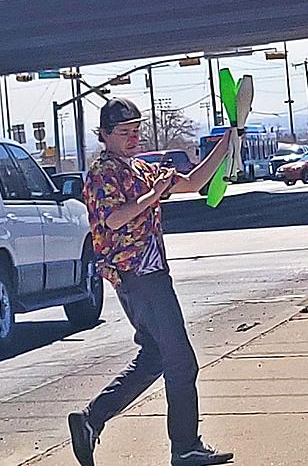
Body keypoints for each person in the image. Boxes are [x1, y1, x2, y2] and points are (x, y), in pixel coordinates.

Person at [68, 98, 236, 466]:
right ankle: (185, 447)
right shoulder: (102, 174)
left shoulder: (142, 169)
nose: (133, 138)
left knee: (156, 356)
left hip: (151, 274)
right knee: (181, 361)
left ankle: (90, 420)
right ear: (105, 135)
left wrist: (228, 139)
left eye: (136, 131)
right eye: (125, 132)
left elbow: (193, 182)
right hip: (138, 276)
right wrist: (153, 196)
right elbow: (113, 220)